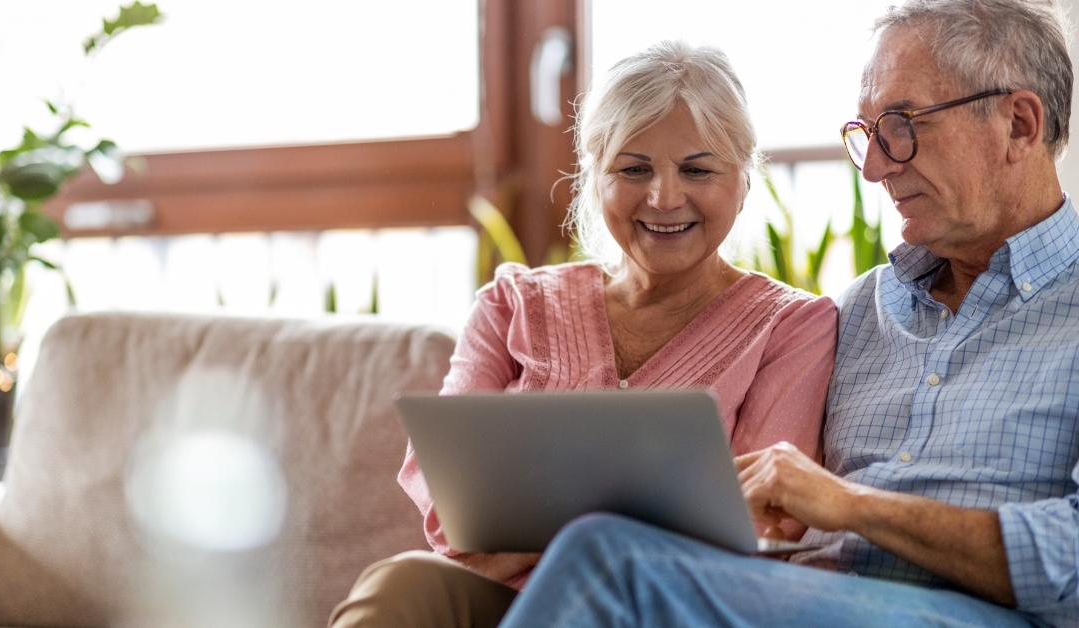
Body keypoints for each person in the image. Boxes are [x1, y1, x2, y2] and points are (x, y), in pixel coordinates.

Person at [494, 0, 1079, 627]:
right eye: (868, 134)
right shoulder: (858, 311)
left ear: (1018, 124)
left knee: (610, 562)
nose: (877, 167)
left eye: (902, 126)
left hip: (978, 615)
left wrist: (852, 506)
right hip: (800, 599)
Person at [327, 40, 838, 628]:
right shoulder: (512, 303)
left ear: (745, 181)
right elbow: (451, 505)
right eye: (633, 168)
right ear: (594, 177)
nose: (664, 197)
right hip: (502, 603)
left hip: (651, 610)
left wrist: (544, 534)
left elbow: (763, 522)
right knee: (406, 582)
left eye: (698, 169)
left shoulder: (793, 326)